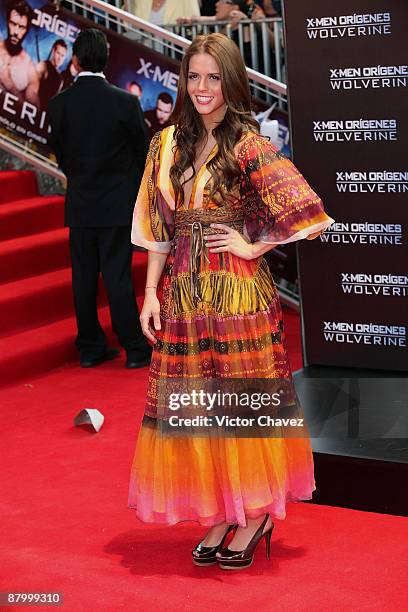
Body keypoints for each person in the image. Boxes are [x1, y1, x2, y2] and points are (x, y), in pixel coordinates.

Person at [128, 33, 334, 569]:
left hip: (237, 292)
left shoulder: (247, 142)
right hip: (185, 294)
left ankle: (259, 509)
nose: (202, 88)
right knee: (200, 406)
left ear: (231, 80)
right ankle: (225, 509)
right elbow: (157, 226)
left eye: (213, 78)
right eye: (194, 76)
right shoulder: (166, 143)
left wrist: (251, 243)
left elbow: (303, 208)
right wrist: (150, 292)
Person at [47, 29, 152, 369]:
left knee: (84, 277)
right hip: (116, 205)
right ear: (106, 59)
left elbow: (60, 154)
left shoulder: (59, 104)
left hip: (80, 204)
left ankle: (90, 348)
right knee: (117, 277)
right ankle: (135, 350)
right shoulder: (125, 102)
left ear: (75, 61)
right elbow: (142, 153)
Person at [0, 0, 39, 105]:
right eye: (13, 24)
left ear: (27, 30)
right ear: (7, 22)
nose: (16, 32)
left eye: (21, 27)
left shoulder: (30, 69)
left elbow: (32, 114)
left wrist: (9, 85)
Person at [37, 39, 67, 110]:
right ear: (53, 51)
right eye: (58, 53)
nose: (59, 58)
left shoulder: (60, 79)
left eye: (62, 56)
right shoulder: (43, 66)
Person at [125, 0, 201, 26]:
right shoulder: (140, 1)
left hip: (173, 54)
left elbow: (197, 26)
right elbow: (128, 27)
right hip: (143, 54)